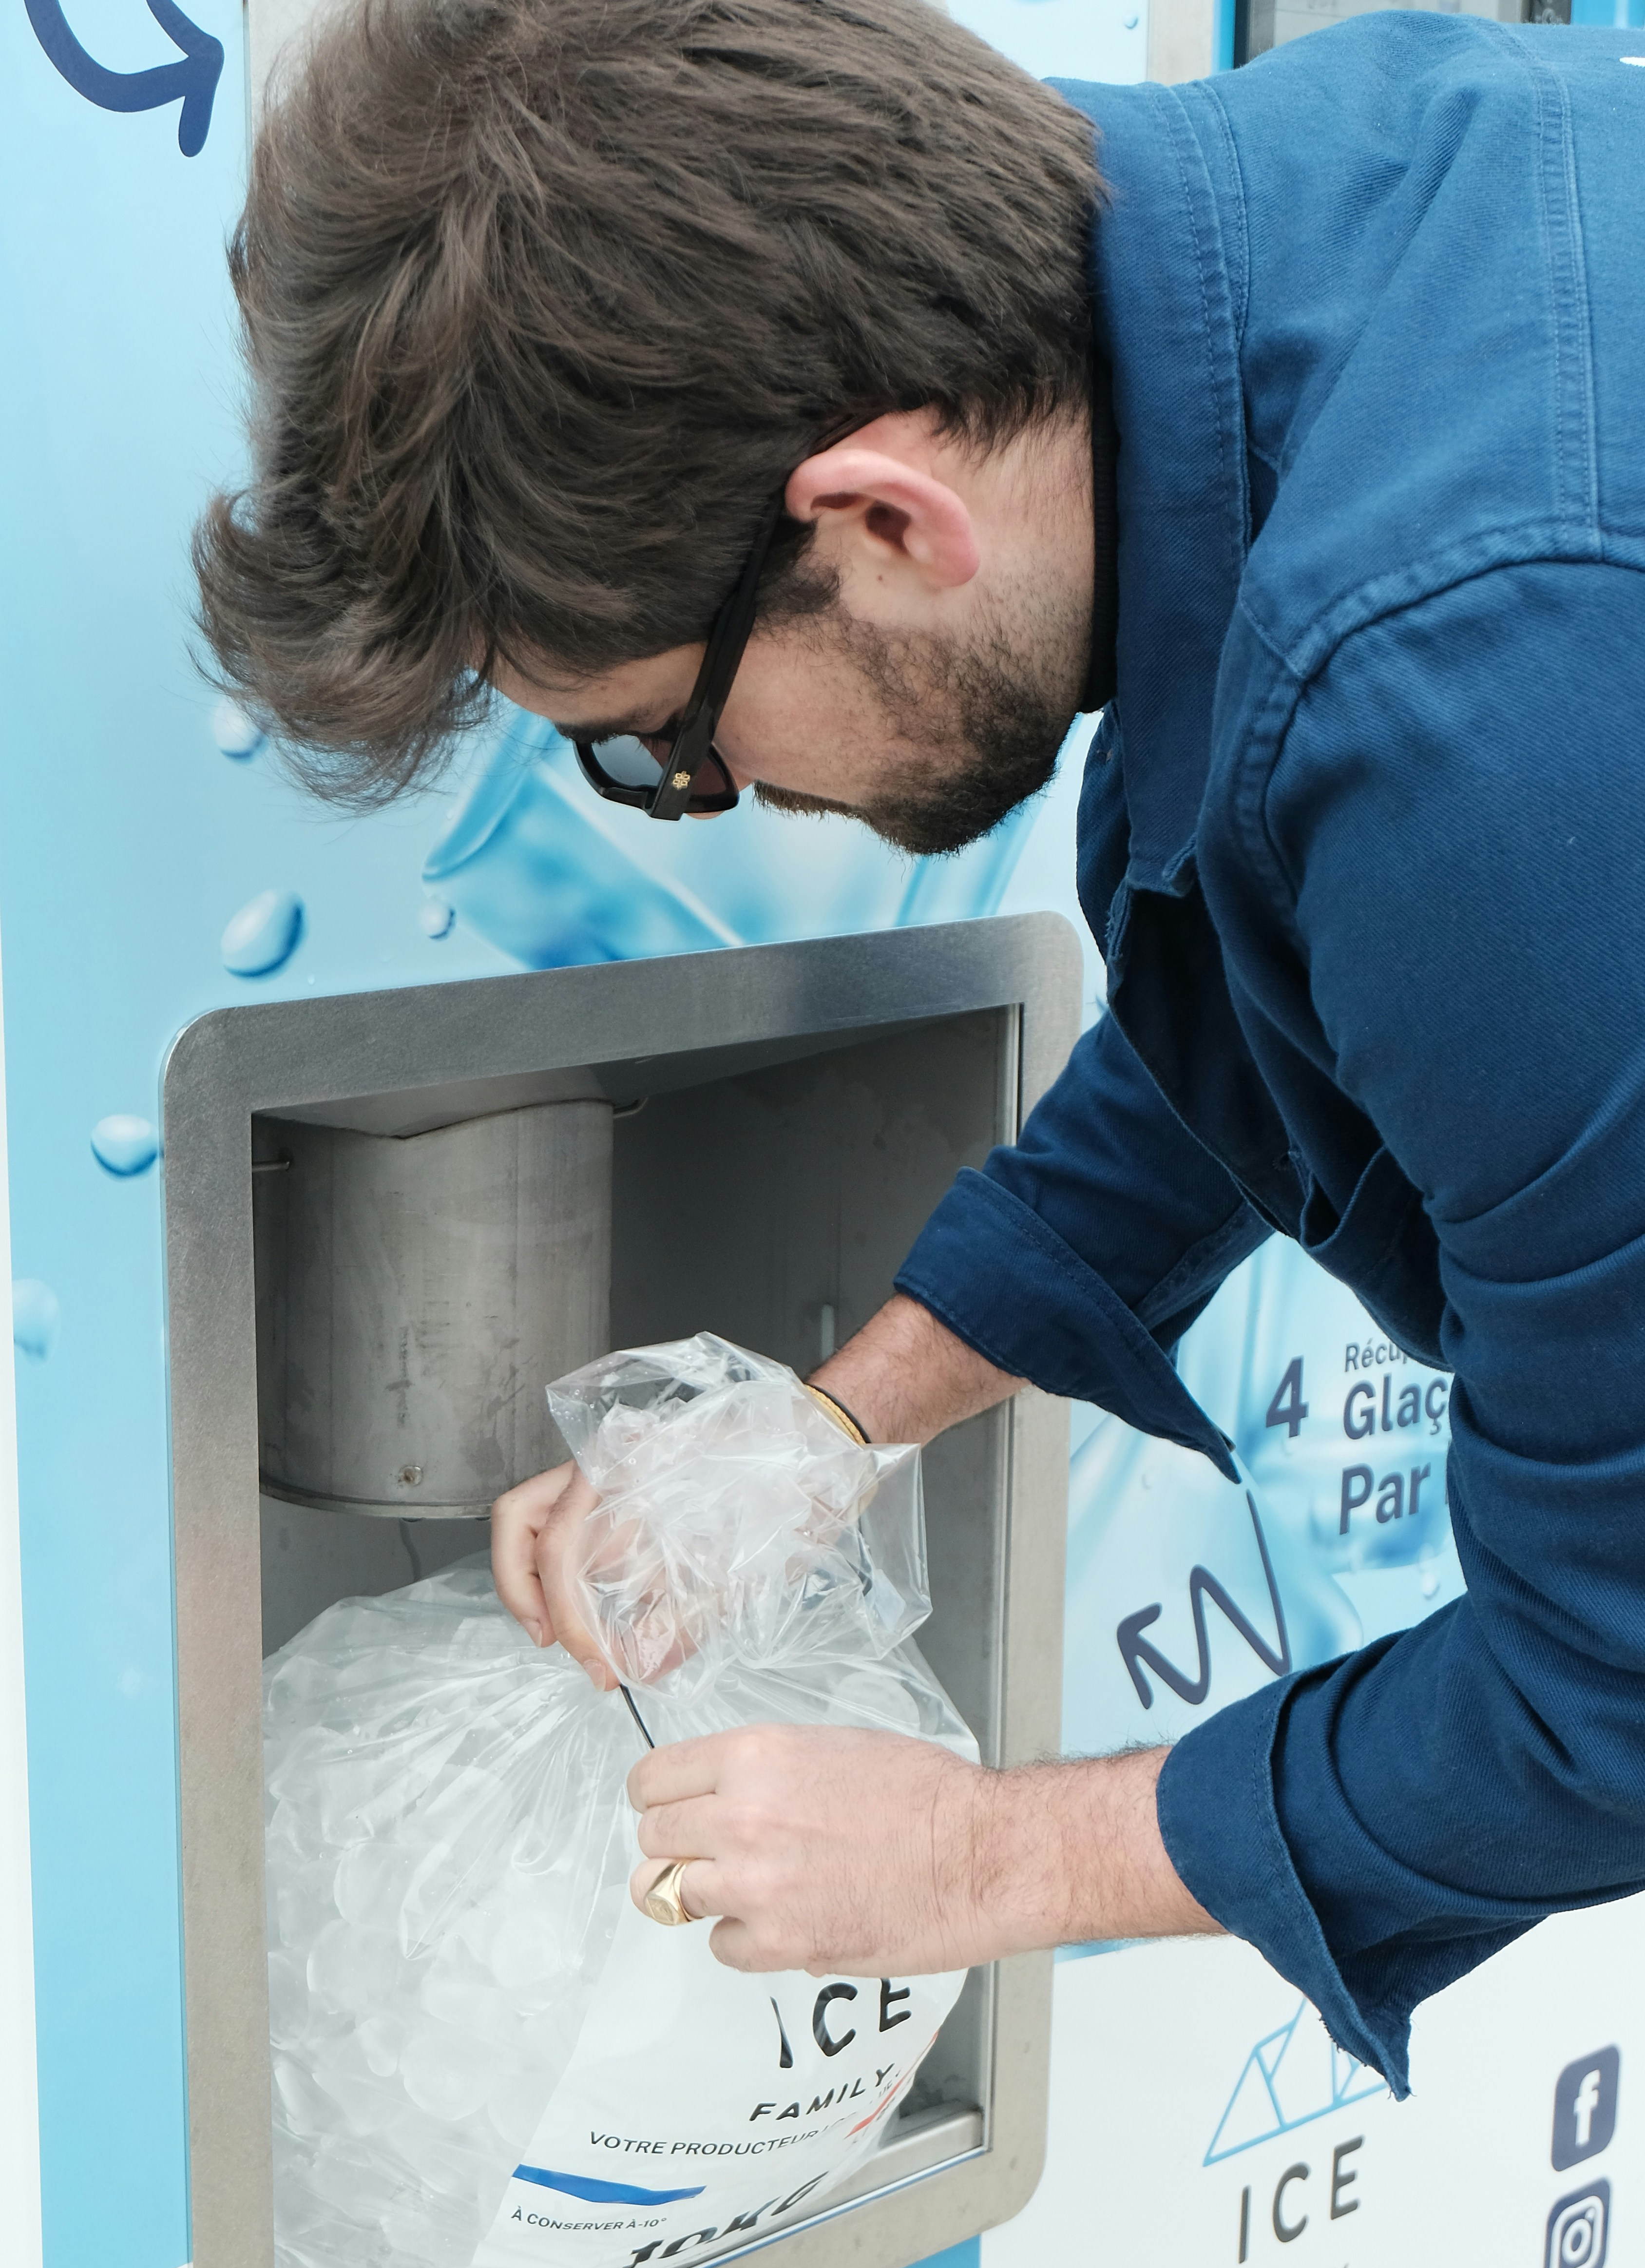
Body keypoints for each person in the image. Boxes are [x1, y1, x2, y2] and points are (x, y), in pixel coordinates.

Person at [196, 0, 1645, 2094]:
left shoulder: (1473, 701)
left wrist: (979, 1858)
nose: (721, 800)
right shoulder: (1317, 236)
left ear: (881, 521)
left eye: (663, 752)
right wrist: (837, 1422)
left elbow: (1610, 1699)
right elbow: (1308, 969)